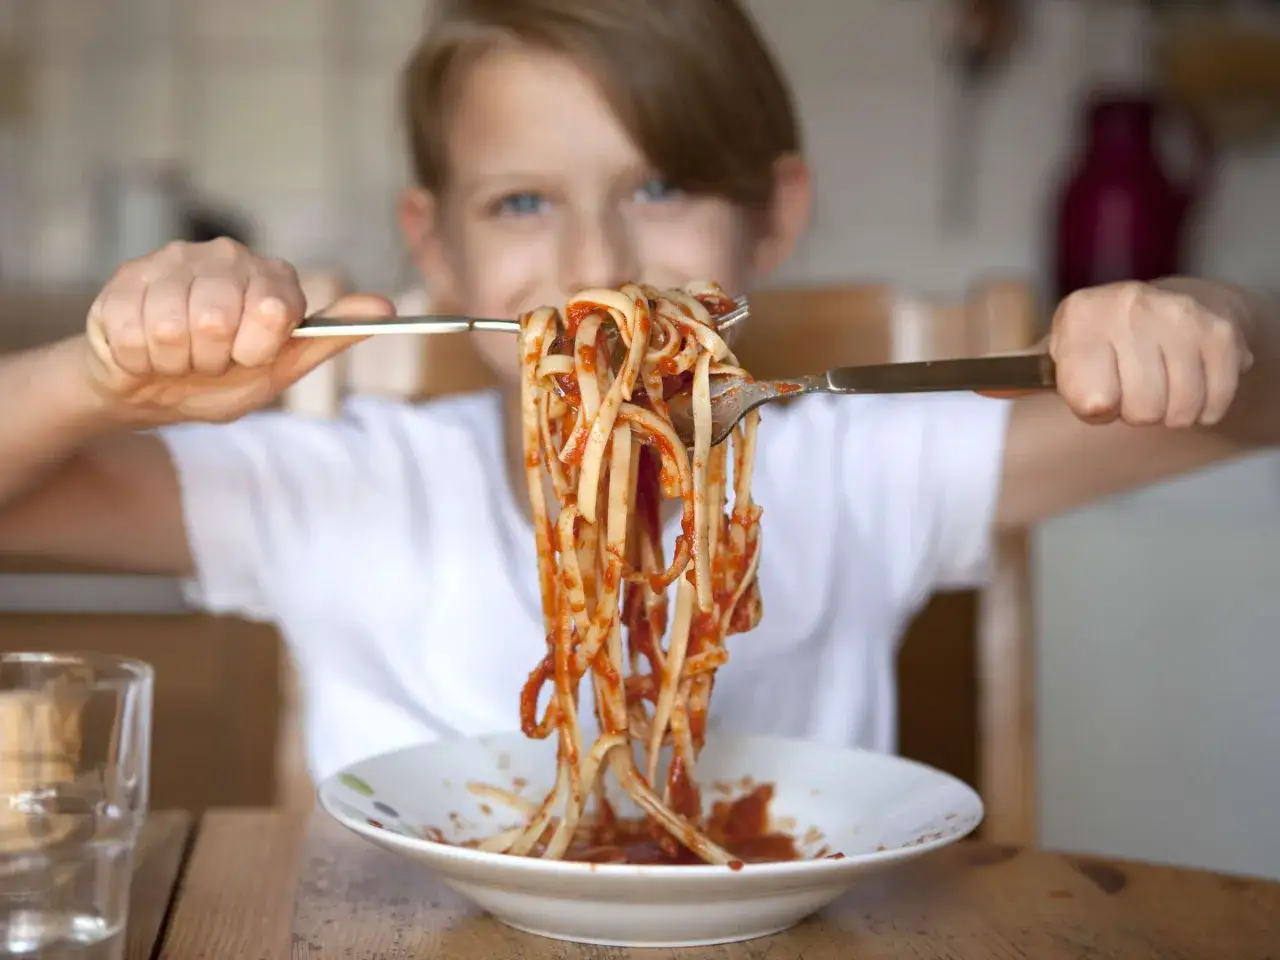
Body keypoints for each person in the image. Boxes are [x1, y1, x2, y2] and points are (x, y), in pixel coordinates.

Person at [0, 0, 1276, 782]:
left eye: (657, 187)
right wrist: (96, 381)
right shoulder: (348, 487)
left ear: (772, 217)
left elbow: (1254, 410)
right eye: (521, 202)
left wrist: (1206, 326)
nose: (596, 264)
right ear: (434, 245)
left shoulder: (853, 469)